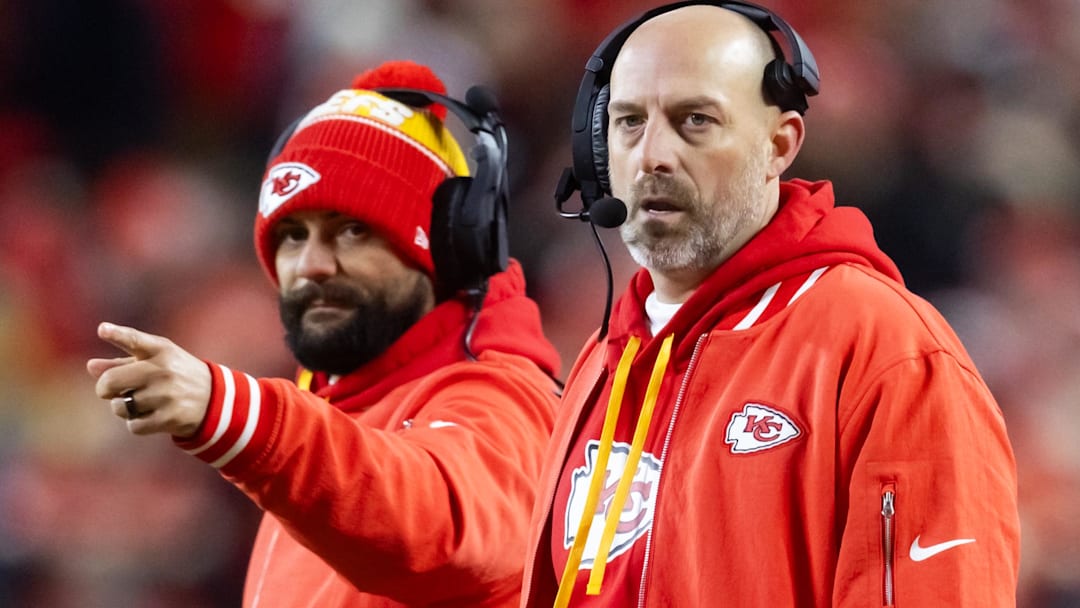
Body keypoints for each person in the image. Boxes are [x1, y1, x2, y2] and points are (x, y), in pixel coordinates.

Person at [522, 3, 1020, 607]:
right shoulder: (605, 359)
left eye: (695, 120)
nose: (652, 154)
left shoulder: (887, 349)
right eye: (628, 122)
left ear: (779, 145)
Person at [87, 60, 562, 608]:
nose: (311, 264)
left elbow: (439, 528)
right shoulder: (325, 418)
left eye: (352, 230)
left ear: (448, 247)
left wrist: (232, 412)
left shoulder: (501, 400)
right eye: (291, 235)